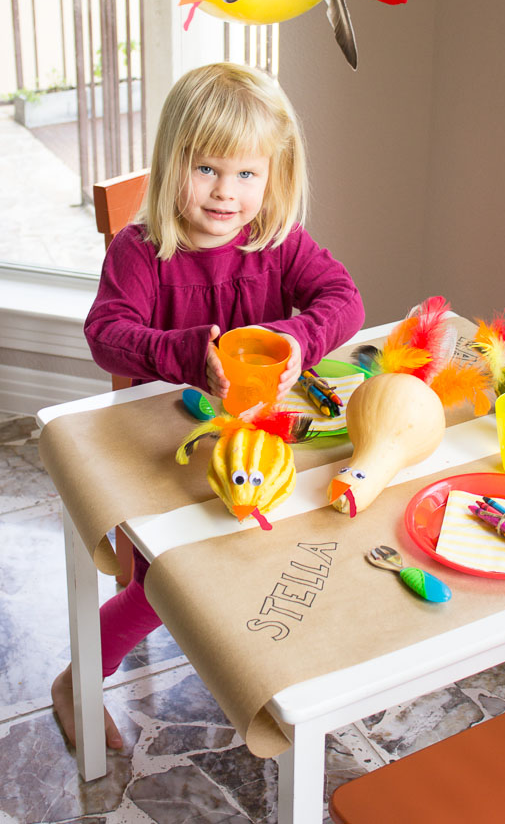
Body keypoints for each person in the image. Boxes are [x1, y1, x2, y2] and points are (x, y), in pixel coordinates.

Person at [51, 62, 365, 749]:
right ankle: (77, 681)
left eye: (247, 174)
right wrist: (192, 356)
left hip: (253, 441)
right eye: (207, 170)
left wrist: (295, 339)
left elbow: (344, 300)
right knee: (178, 578)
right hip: (163, 449)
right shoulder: (141, 253)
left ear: (273, 177)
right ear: (173, 166)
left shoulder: (276, 243)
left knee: (315, 527)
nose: (227, 192)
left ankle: (270, 659)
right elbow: (106, 336)